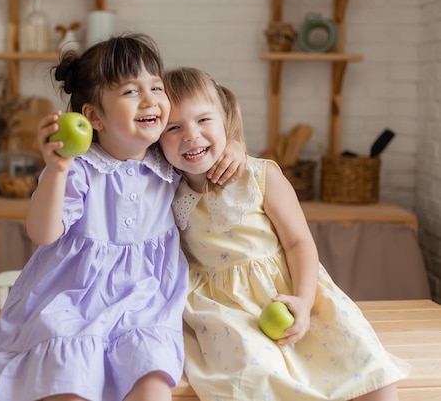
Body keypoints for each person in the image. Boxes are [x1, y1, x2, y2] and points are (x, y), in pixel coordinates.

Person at [0, 35, 246, 401]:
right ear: (94, 116)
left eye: (156, 87)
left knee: (153, 385)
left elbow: (206, 144)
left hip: (145, 308)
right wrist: (56, 170)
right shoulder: (79, 169)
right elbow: (43, 233)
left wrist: (234, 145)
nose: (150, 99)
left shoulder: (169, 156)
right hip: (75, 303)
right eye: (130, 91)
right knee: (70, 383)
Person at [157, 66, 411, 401]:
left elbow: (298, 242)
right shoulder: (163, 187)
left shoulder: (261, 176)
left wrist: (304, 303)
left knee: (363, 360)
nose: (191, 134)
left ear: (225, 121)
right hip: (224, 309)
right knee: (253, 373)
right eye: (173, 127)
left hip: (287, 288)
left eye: (204, 120)